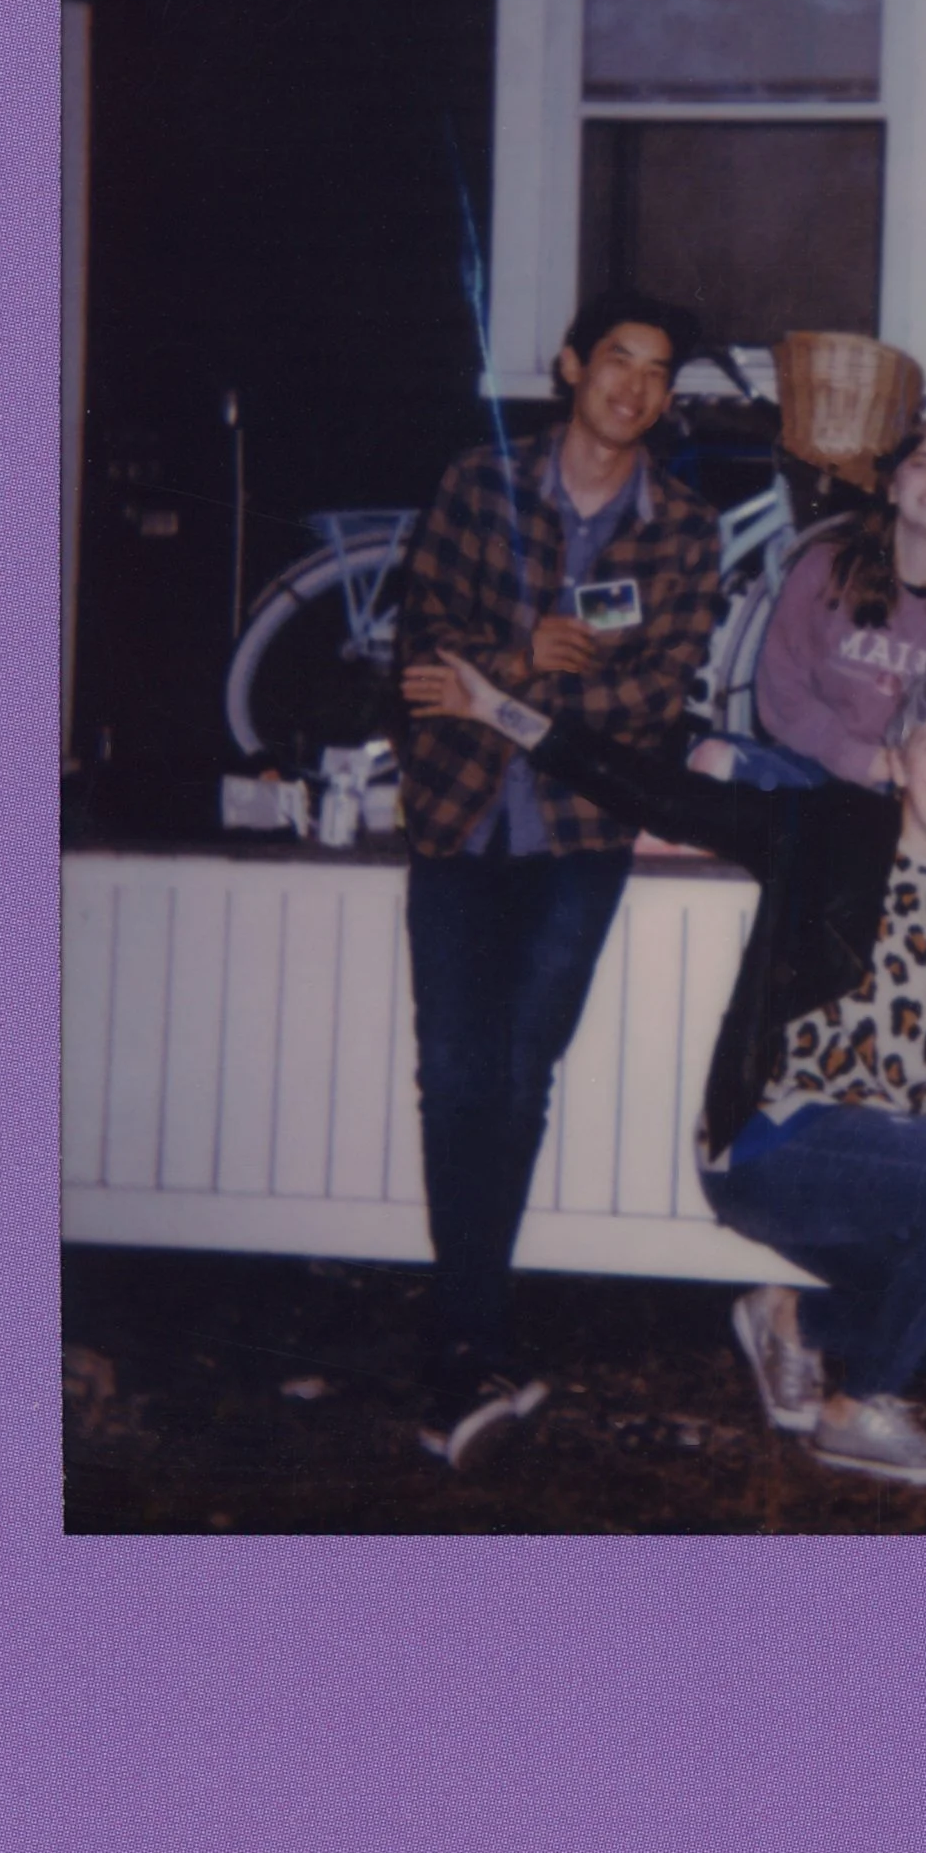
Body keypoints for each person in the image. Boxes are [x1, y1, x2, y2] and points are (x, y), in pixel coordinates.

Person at [402, 658, 926, 1489]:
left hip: (905, 1187)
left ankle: (791, 1319)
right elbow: (656, 790)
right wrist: (499, 711)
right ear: (894, 763)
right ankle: (862, 1405)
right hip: (777, 1148)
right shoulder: (817, 828)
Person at [393, 289, 721, 1467]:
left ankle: (463, 1339)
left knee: (517, 1077)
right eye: (617, 359)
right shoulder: (477, 485)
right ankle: (467, 1334)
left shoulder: (682, 527)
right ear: (571, 363)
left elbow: (657, 696)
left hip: (580, 836)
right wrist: (517, 656)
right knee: (452, 1074)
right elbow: (416, 641)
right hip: (457, 821)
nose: (634, 386)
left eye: (658, 372)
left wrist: (491, 696)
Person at [695, 414, 926, 789]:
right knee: (711, 758)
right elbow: (781, 692)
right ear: (892, 487)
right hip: (818, 769)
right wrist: (859, 760)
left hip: (922, 790)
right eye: (924, 464)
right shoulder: (824, 567)